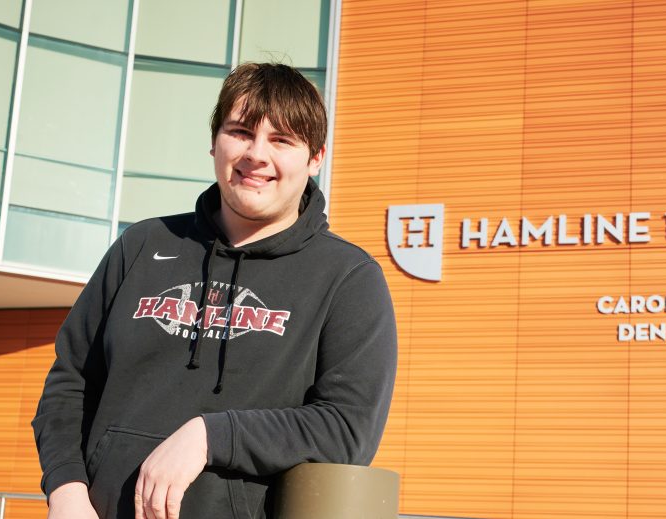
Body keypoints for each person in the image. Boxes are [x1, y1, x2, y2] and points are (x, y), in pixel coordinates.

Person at [31, 63, 397, 519]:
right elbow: (71, 381)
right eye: (241, 132)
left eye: (281, 140)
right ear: (214, 142)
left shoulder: (347, 276)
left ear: (316, 157)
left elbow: (347, 429)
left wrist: (211, 436)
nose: (256, 155)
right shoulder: (142, 246)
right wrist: (66, 490)